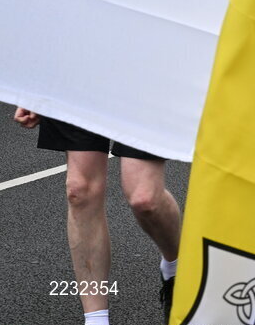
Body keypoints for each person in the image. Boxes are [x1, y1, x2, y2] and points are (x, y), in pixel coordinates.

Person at [13, 109, 181, 325]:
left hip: (144, 80)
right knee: (79, 191)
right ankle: (96, 319)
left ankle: (175, 268)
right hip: (80, 79)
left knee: (145, 198)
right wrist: (35, 91)